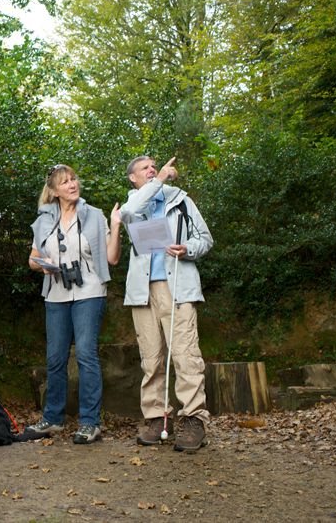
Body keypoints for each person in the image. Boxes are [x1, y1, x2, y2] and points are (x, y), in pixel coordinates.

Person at [119, 156, 214, 451]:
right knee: (151, 359)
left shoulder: (181, 201)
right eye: (145, 168)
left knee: (186, 356)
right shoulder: (133, 203)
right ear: (133, 178)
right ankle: (157, 420)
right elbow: (127, 213)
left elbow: (205, 239)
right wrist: (158, 180)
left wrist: (187, 248)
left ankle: (194, 420)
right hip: (142, 291)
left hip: (178, 288)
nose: (152, 169)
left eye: (154, 166)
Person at [27, 164, 121, 444]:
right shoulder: (44, 220)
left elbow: (112, 258)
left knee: (85, 355)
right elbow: (32, 260)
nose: (72, 184)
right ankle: (53, 419)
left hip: (89, 291)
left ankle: (90, 423)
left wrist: (116, 226)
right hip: (55, 294)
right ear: (54, 191)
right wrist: (44, 264)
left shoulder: (94, 215)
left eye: (73, 179)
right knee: (55, 357)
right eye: (65, 182)